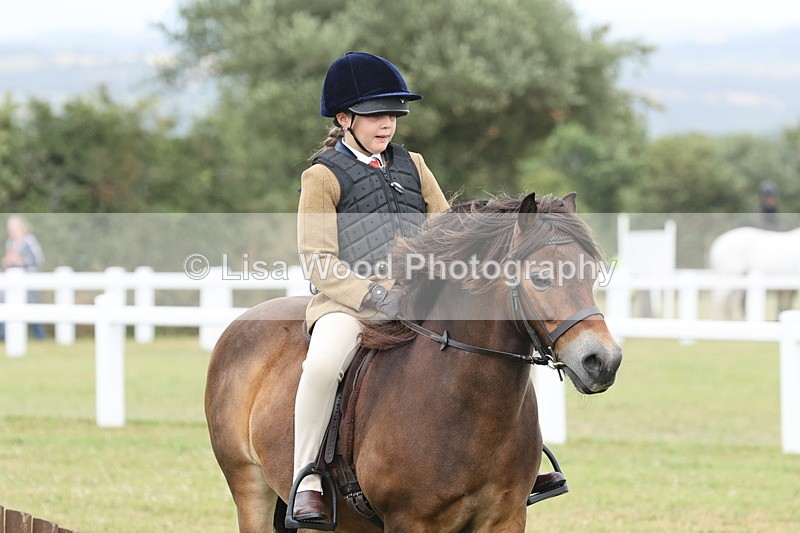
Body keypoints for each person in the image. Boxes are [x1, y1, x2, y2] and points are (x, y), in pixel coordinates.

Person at [291, 51, 564, 525]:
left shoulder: (413, 164)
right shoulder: (322, 176)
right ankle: (307, 479)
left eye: (393, 114)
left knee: (506, 343)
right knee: (322, 364)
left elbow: (446, 232)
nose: (388, 124)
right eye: (376, 114)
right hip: (348, 303)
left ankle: (524, 459)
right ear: (344, 118)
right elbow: (318, 262)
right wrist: (374, 296)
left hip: (418, 298)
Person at [1, 215, 46, 340]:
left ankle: (39, 336)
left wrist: (20, 261)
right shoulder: (10, 242)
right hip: (13, 280)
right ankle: (4, 335)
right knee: (4, 303)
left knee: (32, 308)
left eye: (13, 228)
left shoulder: (29, 241)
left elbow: (37, 260)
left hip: (29, 281)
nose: (10, 230)